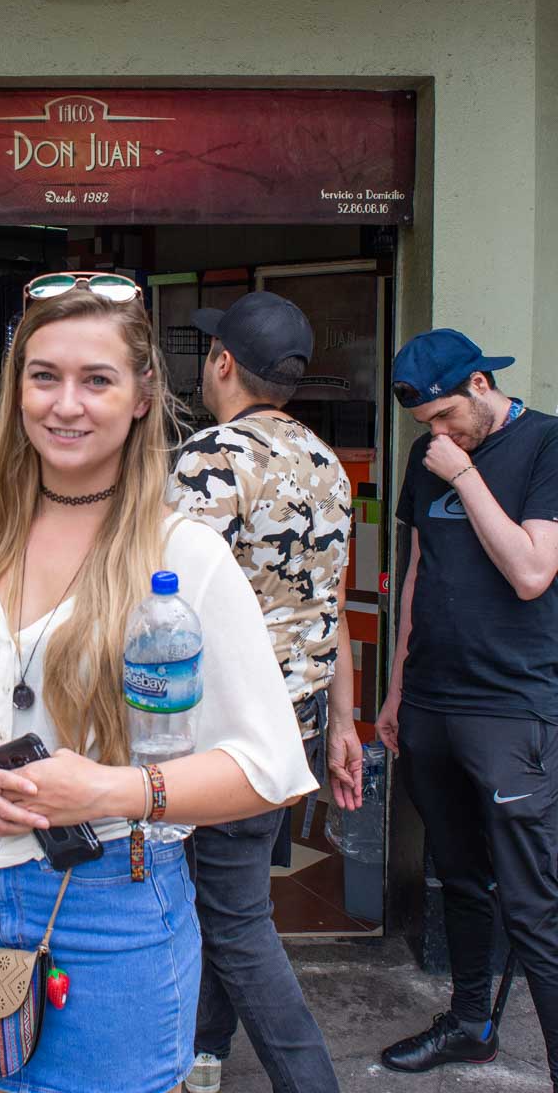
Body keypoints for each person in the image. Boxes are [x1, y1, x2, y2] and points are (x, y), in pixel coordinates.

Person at [0, 274, 318, 1093]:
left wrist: (115, 790)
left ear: (143, 396)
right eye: (44, 375)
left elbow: (264, 769)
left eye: (97, 380)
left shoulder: (184, 556)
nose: (65, 404)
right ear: (17, 387)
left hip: (115, 909)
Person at [167, 290, 358, 1093]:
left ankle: (310, 1082)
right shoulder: (328, 463)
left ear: (222, 364)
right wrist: (343, 723)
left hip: (226, 732)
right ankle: (203, 1049)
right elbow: (331, 607)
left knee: (235, 917)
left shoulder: (214, 456)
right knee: (231, 895)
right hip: (301, 718)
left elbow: (162, 604)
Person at [377, 328, 558, 1087]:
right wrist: (394, 690)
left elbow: (531, 572)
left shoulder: (546, 445)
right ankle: (471, 1022)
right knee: (456, 874)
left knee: (532, 901)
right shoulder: (429, 459)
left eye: (448, 416)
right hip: (431, 698)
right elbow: (419, 572)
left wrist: (466, 475)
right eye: (427, 429)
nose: (439, 437)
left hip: (510, 704)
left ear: (482, 383)